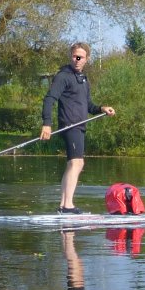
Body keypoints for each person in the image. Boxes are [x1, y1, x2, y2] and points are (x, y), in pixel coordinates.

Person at [39, 42, 115, 213]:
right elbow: (49, 99)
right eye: (75, 56)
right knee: (77, 162)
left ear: (86, 59)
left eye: (81, 57)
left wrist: (101, 108)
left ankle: (64, 205)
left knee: (75, 164)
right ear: (71, 56)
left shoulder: (83, 79)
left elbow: (88, 105)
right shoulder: (63, 76)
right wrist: (47, 124)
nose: (77, 60)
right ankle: (67, 206)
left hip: (80, 126)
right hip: (69, 124)